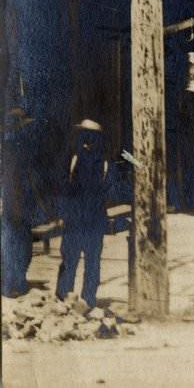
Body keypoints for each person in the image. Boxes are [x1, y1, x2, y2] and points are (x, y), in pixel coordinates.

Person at [56, 119, 110, 307]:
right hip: (90, 218)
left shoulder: (76, 156)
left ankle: (67, 297)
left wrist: (63, 213)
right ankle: (86, 299)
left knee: (74, 259)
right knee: (89, 261)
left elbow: (64, 186)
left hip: (79, 218)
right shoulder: (102, 159)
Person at [1, 107, 37, 298]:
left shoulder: (22, 147)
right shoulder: (10, 149)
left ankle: (18, 280)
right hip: (12, 206)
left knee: (21, 245)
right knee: (13, 245)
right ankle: (11, 283)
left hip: (21, 205)